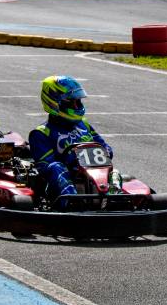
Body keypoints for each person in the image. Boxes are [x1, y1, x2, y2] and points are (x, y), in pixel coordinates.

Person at [29, 75, 114, 207]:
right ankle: (71, 202)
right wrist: (72, 159)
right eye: (70, 103)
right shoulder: (41, 133)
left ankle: (116, 201)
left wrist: (106, 151)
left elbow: (102, 145)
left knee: (115, 173)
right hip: (62, 182)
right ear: (54, 103)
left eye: (78, 101)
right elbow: (46, 166)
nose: (76, 106)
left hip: (93, 175)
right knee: (56, 168)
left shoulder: (83, 124)